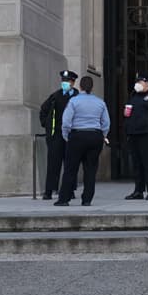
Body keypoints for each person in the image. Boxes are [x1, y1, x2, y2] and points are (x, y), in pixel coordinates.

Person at [55, 75, 109, 207]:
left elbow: (66, 121)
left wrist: (66, 136)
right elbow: (106, 123)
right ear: (92, 87)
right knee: (90, 170)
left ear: (80, 86)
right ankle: (87, 199)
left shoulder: (74, 101)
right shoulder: (100, 102)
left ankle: (64, 199)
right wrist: (102, 135)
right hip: (95, 135)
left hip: (77, 135)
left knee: (70, 169)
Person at [38, 69, 79, 199]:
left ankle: (69, 190)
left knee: (70, 164)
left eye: (67, 81)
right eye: (63, 81)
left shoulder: (77, 97)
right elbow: (43, 110)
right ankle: (49, 190)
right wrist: (47, 125)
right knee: (53, 164)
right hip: (56, 134)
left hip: (72, 135)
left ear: (73, 82)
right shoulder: (55, 96)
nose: (64, 83)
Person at [123, 74, 148, 199]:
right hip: (133, 134)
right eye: (137, 81)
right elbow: (127, 113)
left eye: (140, 81)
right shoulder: (133, 96)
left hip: (146, 134)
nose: (138, 84)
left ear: (147, 83)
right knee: (137, 164)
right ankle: (138, 190)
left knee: (147, 164)